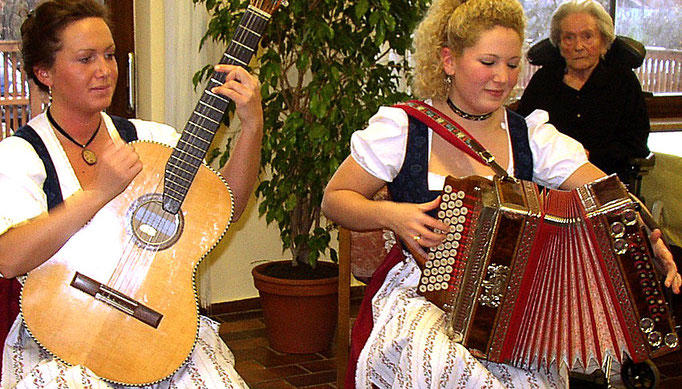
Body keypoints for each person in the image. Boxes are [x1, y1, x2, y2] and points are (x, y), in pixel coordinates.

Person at [321, 0, 681, 388]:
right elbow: (335, 199)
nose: (502, 78)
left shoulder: (531, 136)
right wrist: (393, 216)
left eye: (512, 64)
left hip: (515, 302)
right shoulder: (404, 127)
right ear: (449, 60)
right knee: (448, 365)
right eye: (488, 62)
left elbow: (609, 195)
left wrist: (648, 237)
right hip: (424, 290)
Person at [0, 0, 262, 387]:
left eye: (109, 55)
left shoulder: (150, 139)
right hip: (63, 327)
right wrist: (97, 194)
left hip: (157, 325)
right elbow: (9, 259)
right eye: (85, 59)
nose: (104, 71)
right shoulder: (20, 155)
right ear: (44, 73)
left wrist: (252, 128)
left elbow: (225, 208)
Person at [515, 0, 650, 185]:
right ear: (559, 43)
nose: (578, 46)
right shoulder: (544, 79)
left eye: (587, 37)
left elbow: (636, 143)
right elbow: (521, 130)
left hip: (605, 180)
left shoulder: (623, 81)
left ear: (602, 40)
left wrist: (588, 155)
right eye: (569, 38)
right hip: (548, 183)